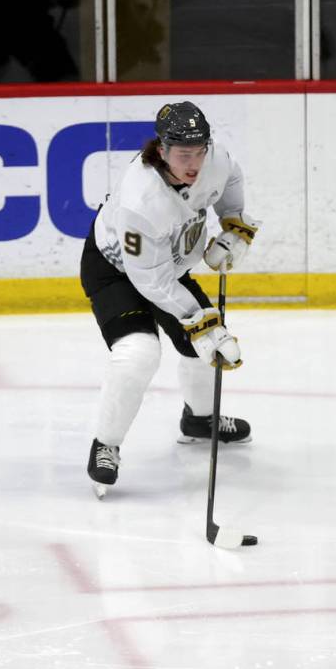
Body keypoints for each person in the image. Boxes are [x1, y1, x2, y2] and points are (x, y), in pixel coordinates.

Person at [80, 101, 260, 497]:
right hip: (115, 271)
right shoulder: (141, 200)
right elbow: (152, 281)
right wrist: (201, 321)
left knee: (201, 347)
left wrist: (234, 223)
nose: (194, 164)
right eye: (183, 154)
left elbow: (230, 178)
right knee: (140, 353)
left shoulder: (214, 158)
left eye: (199, 151)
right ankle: (105, 444)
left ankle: (199, 420)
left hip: (168, 268)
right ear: (162, 150)